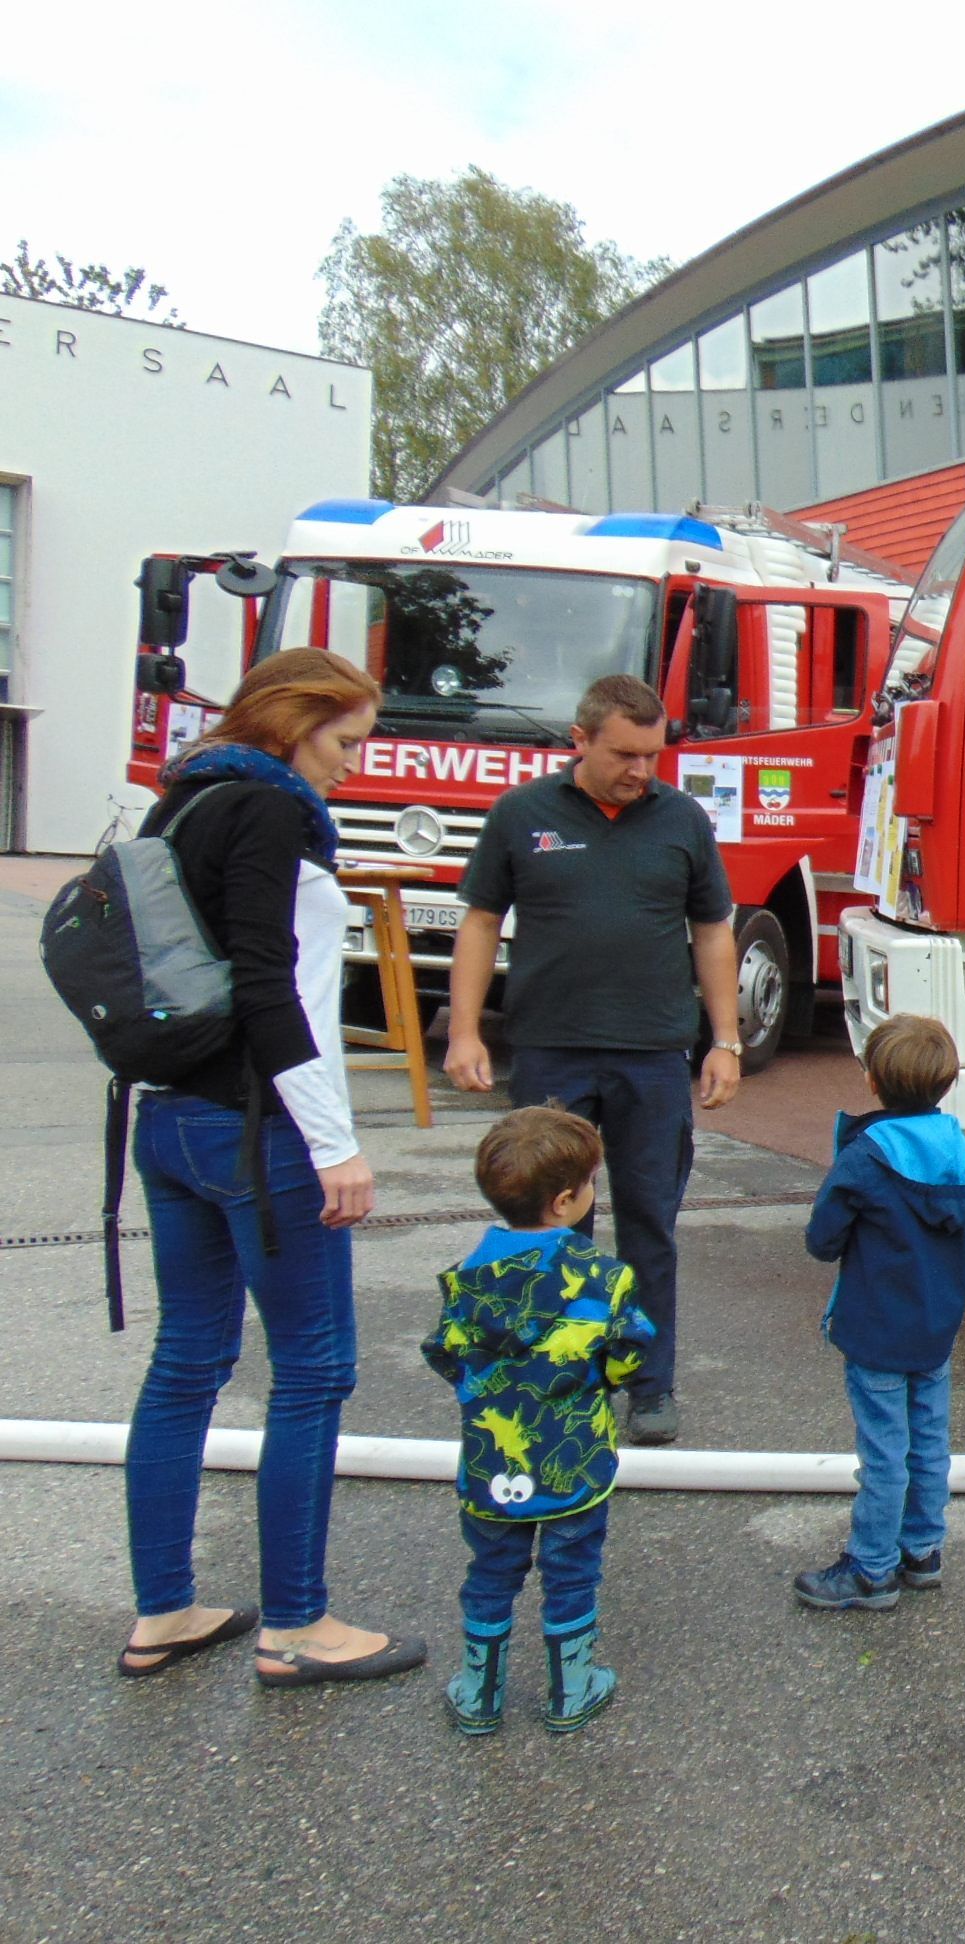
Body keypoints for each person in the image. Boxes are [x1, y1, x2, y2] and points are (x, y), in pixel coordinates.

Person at [119, 647, 428, 1689]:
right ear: (293, 723)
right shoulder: (270, 813)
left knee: (186, 1365)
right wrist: (334, 1143)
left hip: (166, 1120)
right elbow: (273, 984)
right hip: (257, 1131)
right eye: (345, 740)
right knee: (312, 1371)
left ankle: (164, 1608)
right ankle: (297, 1623)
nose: (352, 764)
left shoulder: (180, 804)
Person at [443, 672, 744, 1448]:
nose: (642, 771)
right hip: (551, 1051)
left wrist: (726, 1040)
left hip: (651, 1056)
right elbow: (479, 921)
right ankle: (561, 1376)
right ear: (578, 741)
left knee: (650, 1226)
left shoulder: (681, 820)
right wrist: (465, 1032)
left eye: (653, 754)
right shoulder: (521, 815)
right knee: (551, 1229)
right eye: (624, 755)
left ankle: (648, 1387)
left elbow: (713, 932)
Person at [423, 1106, 652, 1734]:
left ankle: (480, 1692)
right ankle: (571, 1690)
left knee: (491, 1568)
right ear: (563, 1201)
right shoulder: (602, 1277)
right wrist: (596, 1382)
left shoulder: (468, 1279)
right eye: (590, 1185)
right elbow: (630, 1350)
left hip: (491, 1464)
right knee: (572, 1568)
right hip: (576, 1458)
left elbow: (444, 1350)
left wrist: (484, 1394)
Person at [794, 1016, 965, 1613]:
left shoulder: (867, 1158)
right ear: (947, 1083)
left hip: (876, 1328)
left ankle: (871, 1568)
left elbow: (822, 1239)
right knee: (928, 1442)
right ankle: (922, 1552)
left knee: (884, 1450)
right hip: (936, 1329)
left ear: (873, 1081)